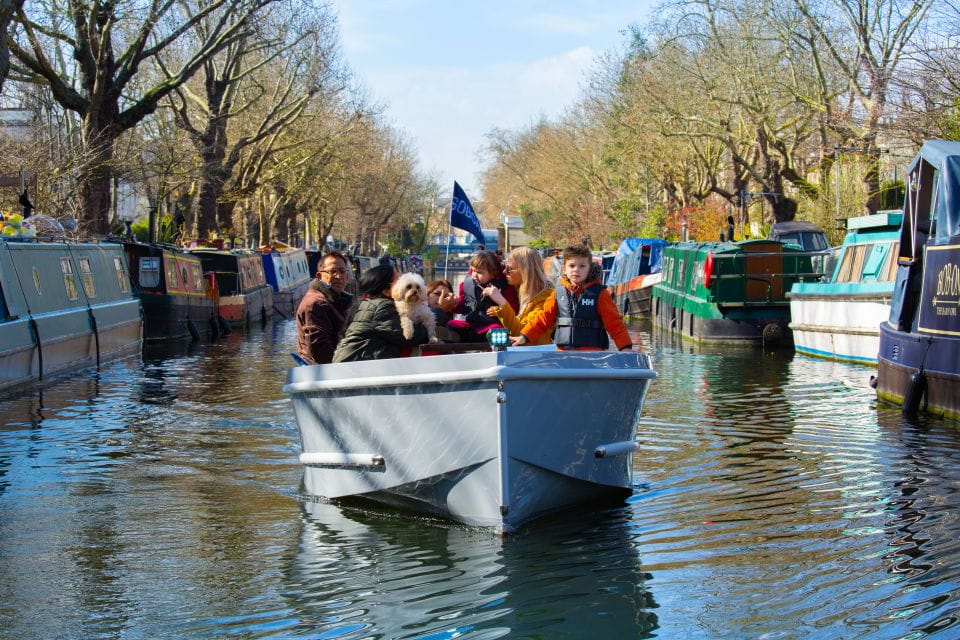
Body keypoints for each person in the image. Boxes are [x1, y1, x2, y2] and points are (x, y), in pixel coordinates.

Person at [512, 244, 633, 351]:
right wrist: (525, 336)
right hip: (564, 354)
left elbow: (615, 324)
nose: (576, 270)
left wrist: (625, 348)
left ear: (589, 268)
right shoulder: (558, 293)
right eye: (572, 265)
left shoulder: (600, 294)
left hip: (594, 355)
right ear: (564, 268)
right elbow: (543, 320)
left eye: (582, 266)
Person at [332, 265, 430, 362]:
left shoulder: (368, 303)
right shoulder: (382, 307)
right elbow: (409, 337)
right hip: (356, 368)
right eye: (399, 281)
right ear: (386, 291)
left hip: (357, 363)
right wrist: (435, 317)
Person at [482, 246, 554, 345]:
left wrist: (502, 302)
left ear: (525, 271)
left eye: (509, 269)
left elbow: (522, 333)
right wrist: (498, 311)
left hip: (538, 355)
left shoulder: (546, 298)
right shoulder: (522, 292)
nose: (504, 272)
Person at [296, 251, 353, 364]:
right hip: (328, 373)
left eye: (342, 271)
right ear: (319, 276)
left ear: (347, 276)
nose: (338, 276)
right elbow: (320, 351)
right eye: (332, 272)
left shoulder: (337, 300)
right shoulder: (315, 304)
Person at [449, 250, 519, 341]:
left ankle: (481, 339)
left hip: (491, 324)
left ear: (492, 274)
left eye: (480, 272)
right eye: (473, 270)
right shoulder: (465, 284)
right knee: (452, 323)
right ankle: (457, 336)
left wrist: (497, 310)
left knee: (497, 329)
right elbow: (465, 303)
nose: (474, 275)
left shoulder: (506, 287)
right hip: (471, 323)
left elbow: (513, 308)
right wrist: (455, 304)